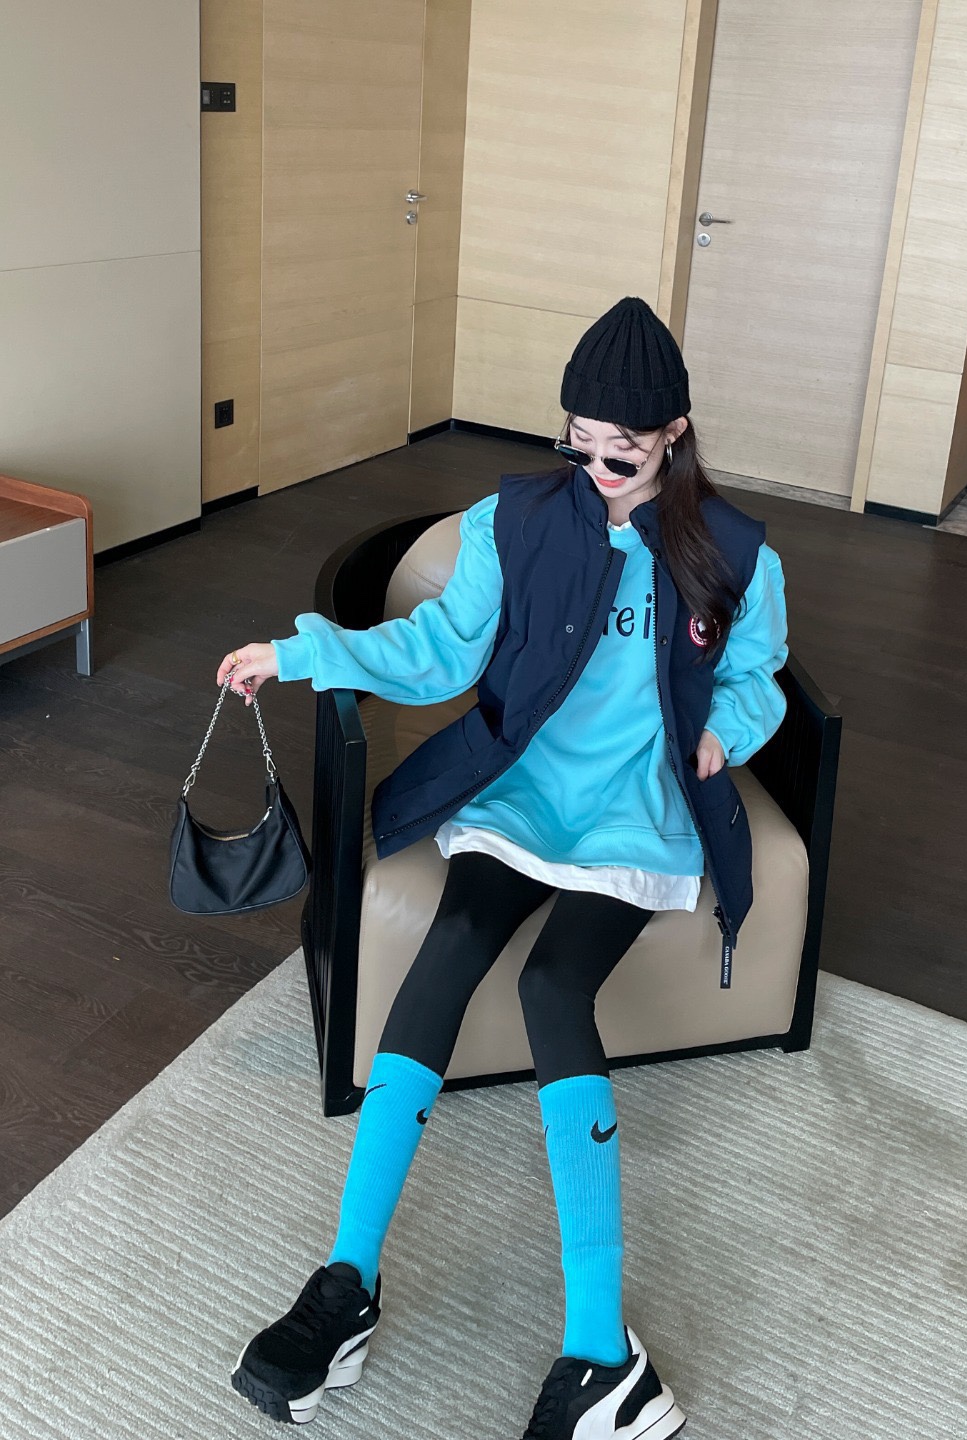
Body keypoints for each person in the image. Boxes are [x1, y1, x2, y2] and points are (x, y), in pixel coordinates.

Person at [218, 296, 788, 1439]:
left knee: (551, 988)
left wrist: (724, 732)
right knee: (453, 947)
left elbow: (759, 674)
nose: (597, 468)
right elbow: (438, 649)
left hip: (638, 811)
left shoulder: (734, 550)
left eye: (621, 450)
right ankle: (346, 1280)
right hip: (524, 792)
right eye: (579, 443)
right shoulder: (514, 518)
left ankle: (604, 1357)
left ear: (674, 433)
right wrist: (301, 652)